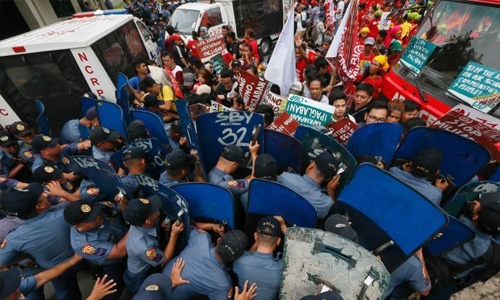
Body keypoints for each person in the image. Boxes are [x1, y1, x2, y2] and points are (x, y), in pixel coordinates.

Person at [0, 182, 83, 299]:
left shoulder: (14, 238)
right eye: (42, 195)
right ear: (39, 206)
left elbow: (2, 262)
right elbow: (84, 207)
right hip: (82, 256)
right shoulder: (64, 214)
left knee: (67, 291)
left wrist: (23, 255)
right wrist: (62, 193)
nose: (45, 194)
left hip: (55, 269)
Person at [422, 191, 500, 299]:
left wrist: (473, 212)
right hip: (447, 279)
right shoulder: (489, 251)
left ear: (476, 216)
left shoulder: (448, 224)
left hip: (423, 262)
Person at [64, 200, 129, 300]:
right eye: (92, 218)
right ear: (78, 226)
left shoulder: (99, 208)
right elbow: (119, 252)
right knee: (110, 291)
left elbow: (117, 210)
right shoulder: (83, 244)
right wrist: (136, 225)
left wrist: (123, 207)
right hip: (114, 262)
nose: (98, 216)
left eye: (96, 212)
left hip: (128, 237)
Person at [123, 196, 185, 294]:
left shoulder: (138, 221)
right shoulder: (143, 247)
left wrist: (160, 225)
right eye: (154, 210)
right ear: (147, 221)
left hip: (142, 265)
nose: (158, 211)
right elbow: (164, 260)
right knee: (143, 292)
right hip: (139, 276)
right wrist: (174, 235)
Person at [162, 229, 248, 299]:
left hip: (158, 281)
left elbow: (193, 228)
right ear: (235, 259)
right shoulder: (222, 284)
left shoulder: (201, 239)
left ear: (218, 240)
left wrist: (210, 227)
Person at [233, 216, 287, 300]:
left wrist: (257, 242)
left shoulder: (239, 261)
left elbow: (247, 256)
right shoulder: (281, 269)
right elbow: (298, 254)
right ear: (278, 241)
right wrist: (283, 227)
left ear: (255, 236)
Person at [277, 152, 341, 219]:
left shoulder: (285, 177)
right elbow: (331, 216)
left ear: (311, 165)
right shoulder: (325, 203)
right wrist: (331, 191)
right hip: (298, 228)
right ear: (328, 179)